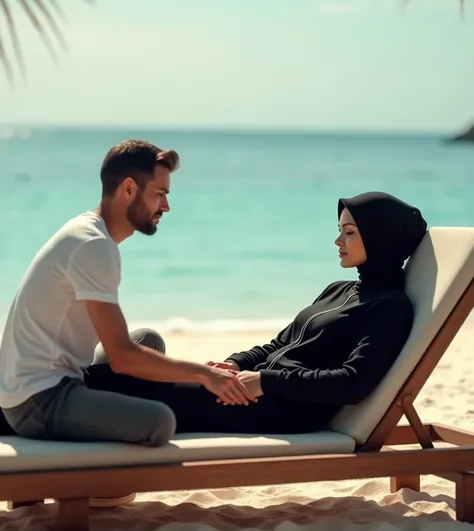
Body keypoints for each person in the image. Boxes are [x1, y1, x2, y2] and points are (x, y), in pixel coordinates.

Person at [80, 191, 428, 436]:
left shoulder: (390, 309)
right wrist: (236, 364)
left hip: (283, 410)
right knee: (141, 376)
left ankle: (50, 403)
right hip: (250, 390)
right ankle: (55, 395)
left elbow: (352, 383)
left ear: (381, 238)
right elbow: (279, 344)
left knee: (141, 387)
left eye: (349, 233)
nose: (338, 241)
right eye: (339, 231)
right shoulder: (339, 289)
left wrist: (265, 381)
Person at [0, 140, 255, 446]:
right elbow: (121, 357)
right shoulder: (93, 246)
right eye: (159, 195)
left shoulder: (89, 231)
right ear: (129, 189)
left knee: (148, 339)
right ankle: (109, 495)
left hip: (51, 376)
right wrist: (204, 374)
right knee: (160, 422)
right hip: (39, 399)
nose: (166, 206)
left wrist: (195, 373)